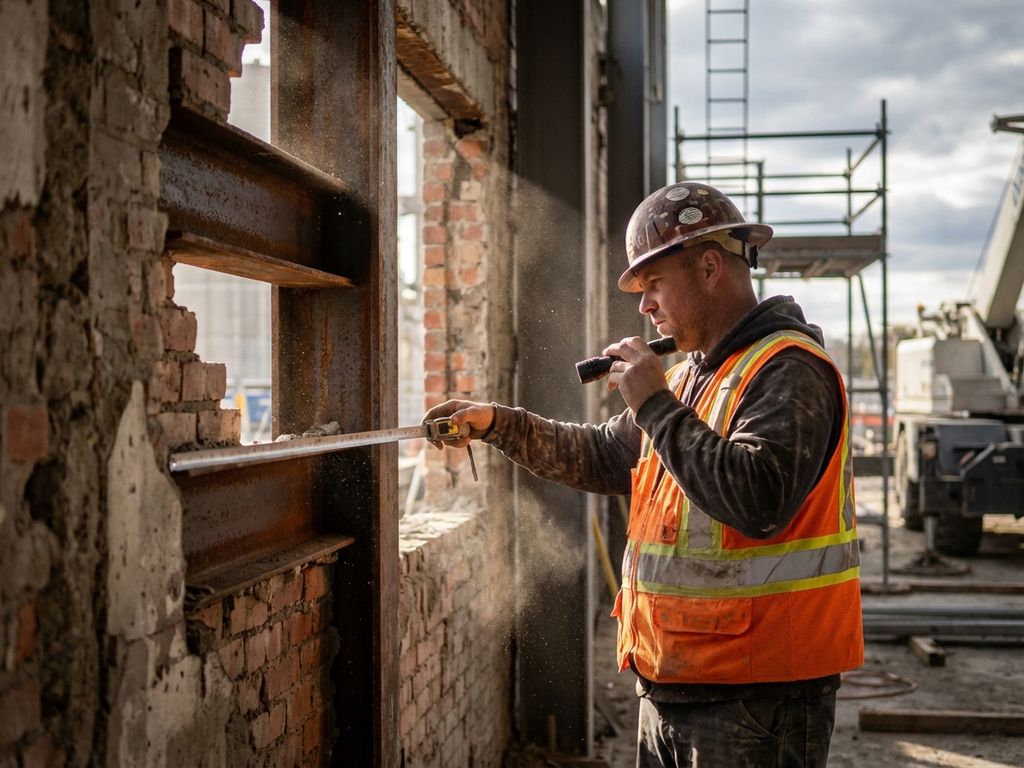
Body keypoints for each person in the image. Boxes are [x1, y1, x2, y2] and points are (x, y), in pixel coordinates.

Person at [424, 181, 863, 767]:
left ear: (710, 268)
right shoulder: (692, 377)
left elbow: (759, 499)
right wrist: (500, 424)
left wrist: (654, 405)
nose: (644, 306)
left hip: (759, 697)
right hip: (678, 681)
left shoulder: (786, 370)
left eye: (654, 282)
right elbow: (606, 455)